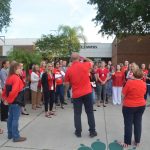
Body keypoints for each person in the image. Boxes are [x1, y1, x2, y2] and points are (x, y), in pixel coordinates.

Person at [65, 53, 97, 138]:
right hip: (87, 92)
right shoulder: (85, 64)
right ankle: (92, 131)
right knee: (90, 112)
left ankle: (78, 132)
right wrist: (84, 57)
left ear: (71, 59)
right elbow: (92, 62)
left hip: (76, 94)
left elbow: (67, 83)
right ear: (79, 58)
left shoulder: (69, 70)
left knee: (77, 114)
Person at [120, 69, 146, 148]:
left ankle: (127, 142)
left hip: (129, 106)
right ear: (142, 76)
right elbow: (144, 93)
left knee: (128, 124)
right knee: (138, 123)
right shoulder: (144, 83)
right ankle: (137, 141)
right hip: (141, 106)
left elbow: (123, 95)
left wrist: (123, 100)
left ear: (133, 75)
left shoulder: (130, 82)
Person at [2, 62, 27, 142]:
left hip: (12, 102)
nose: (21, 69)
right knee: (15, 119)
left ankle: (10, 134)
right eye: (19, 68)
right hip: (16, 101)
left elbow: (5, 90)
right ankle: (16, 136)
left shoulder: (10, 77)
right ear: (14, 69)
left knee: (10, 118)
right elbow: (14, 91)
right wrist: (8, 100)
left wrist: (5, 99)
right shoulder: (16, 78)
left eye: (20, 68)